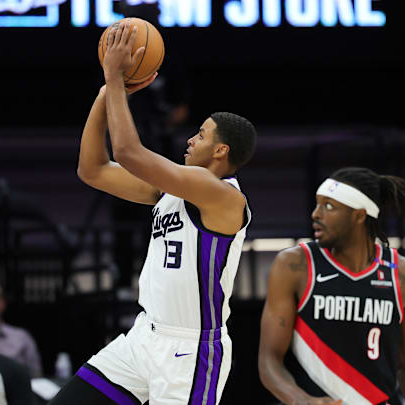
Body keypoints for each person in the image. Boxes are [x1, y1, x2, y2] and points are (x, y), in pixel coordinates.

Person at [50, 23, 256, 405]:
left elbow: (128, 151)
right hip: (144, 336)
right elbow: (92, 169)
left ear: (221, 152)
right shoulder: (170, 190)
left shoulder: (223, 197)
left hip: (190, 350)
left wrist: (114, 78)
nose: (192, 139)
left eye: (202, 134)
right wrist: (105, 93)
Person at [258, 167, 405, 405]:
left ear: (359, 215)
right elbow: (269, 361)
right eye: (317, 204)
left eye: (329, 206)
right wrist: (300, 400)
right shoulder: (295, 264)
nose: (315, 214)